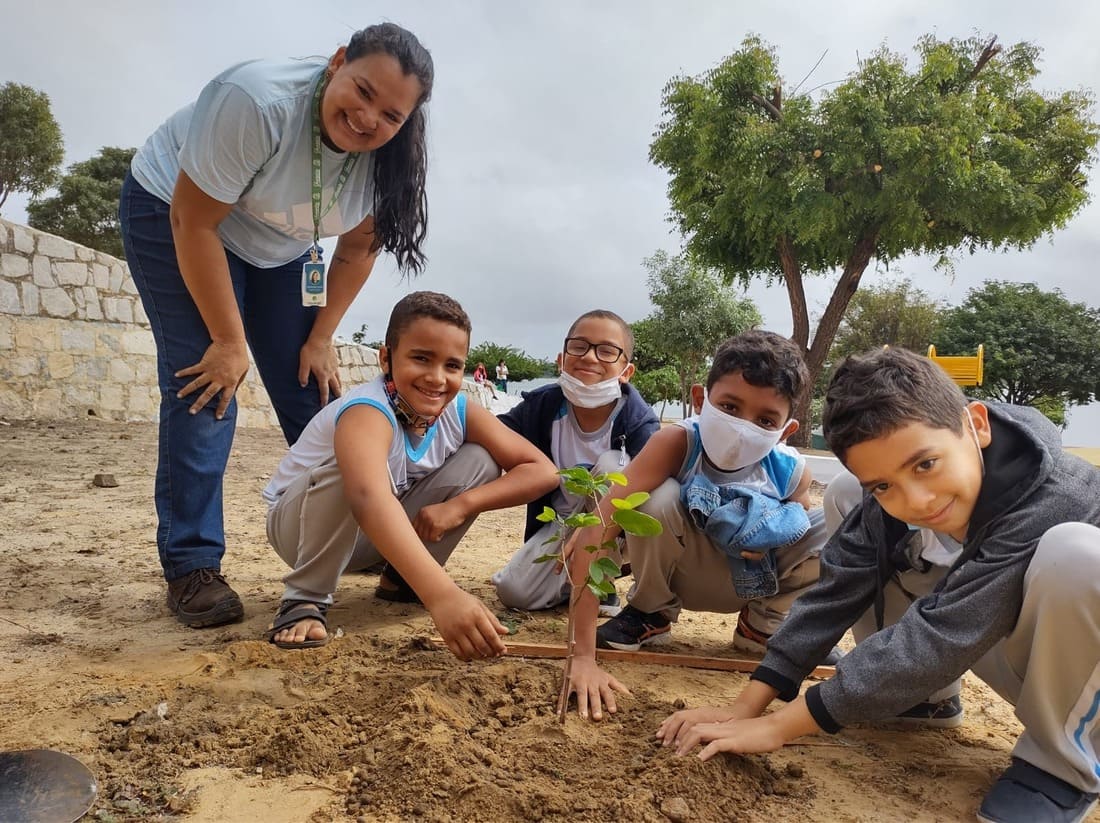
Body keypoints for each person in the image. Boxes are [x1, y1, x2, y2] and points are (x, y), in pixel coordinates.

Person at [658, 347, 1100, 823]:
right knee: (852, 496)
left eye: (926, 465)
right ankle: (918, 701)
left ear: (976, 424)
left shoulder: (1055, 493)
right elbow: (836, 589)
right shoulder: (895, 487)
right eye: (885, 484)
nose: (917, 499)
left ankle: (1061, 767)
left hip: (1083, 684)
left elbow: (943, 635)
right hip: (998, 639)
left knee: (1078, 555)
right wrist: (748, 704)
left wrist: (780, 727)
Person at [118, 23, 435, 628]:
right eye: (361, 91)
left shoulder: (390, 163)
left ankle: (365, 527)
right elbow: (194, 222)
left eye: (391, 114)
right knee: (207, 384)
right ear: (338, 61)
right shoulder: (257, 102)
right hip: (177, 214)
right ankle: (192, 566)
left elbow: (355, 252)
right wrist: (229, 341)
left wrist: (321, 338)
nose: (369, 119)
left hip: (280, 245)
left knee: (312, 386)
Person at [262, 291, 559, 657]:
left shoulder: (459, 410)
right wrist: (444, 595)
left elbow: (543, 471)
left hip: (372, 538)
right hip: (302, 531)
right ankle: (303, 597)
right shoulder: (367, 410)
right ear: (387, 358)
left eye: (452, 365)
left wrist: (463, 504)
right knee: (350, 468)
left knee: (481, 459)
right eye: (421, 358)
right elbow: (368, 497)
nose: (437, 378)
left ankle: (402, 579)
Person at [565, 330, 836, 720]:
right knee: (653, 498)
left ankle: (763, 626)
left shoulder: (791, 471)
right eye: (729, 406)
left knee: (830, 522)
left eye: (765, 419)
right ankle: (651, 613)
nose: (743, 426)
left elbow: (802, 543)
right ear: (699, 399)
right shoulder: (677, 443)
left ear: (786, 430)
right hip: (682, 574)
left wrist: (775, 532)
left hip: (750, 582)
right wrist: (583, 657)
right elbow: (598, 529)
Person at [491, 309, 660, 612]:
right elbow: (494, 432)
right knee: (514, 593)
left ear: (626, 372)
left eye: (607, 351)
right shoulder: (541, 408)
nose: (590, 358)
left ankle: (603, 579)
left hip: (614, 529)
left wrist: (598, 531)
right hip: (563, 524)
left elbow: (656, 482)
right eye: (579, 346)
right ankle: (571, 580)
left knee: (614, 467)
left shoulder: (639, 423)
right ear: (562, 358)